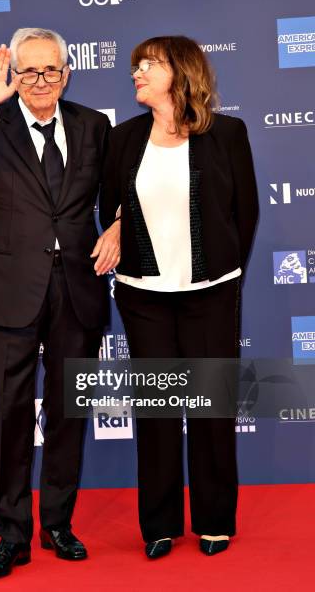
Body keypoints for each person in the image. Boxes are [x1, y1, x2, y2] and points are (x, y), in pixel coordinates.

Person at [0, 28, 111, 579]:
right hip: (9, 288)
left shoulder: (93, 125)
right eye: (29, 72)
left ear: (67, 72)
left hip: (76, 290)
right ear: (14, 76)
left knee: (67, 411)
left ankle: (58, 522)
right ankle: (10, 534)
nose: (41, 82)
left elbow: (122, 189)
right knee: (10, 414)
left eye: (51, 71)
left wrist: (123, 225)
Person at [95, 35, 258, 559]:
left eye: (149, 65)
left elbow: (244, 213)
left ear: (181, 72)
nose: (137, 73)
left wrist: (221, 271)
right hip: (143, 296)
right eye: (134, 66)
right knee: (158, 413)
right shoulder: (122, 139)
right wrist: (121, 227)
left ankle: (215, 520)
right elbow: (110, 208)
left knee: (212, 411)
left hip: (211, 293)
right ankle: (160, 524)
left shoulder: (227, 133)